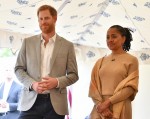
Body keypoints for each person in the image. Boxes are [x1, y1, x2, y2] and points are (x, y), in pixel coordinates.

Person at [14, 4, 78, 119]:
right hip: (30, 102)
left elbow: (74, 75)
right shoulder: (27, 43)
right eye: (40, 19)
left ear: (55, 18)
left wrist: (57, 82)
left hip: (55, 106)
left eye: (46, 18)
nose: (43, 22)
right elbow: (18, 69)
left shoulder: (68, 46)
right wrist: (32, 84)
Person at [88, 25, 139, 119]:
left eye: (114, 36)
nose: (110, 40)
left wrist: (108, 102)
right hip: (99, 108)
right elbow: (93, 88)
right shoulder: (100, 61)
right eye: (107, 37)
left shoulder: (132, 60)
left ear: (123, 39)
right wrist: (101, 106)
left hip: (121, 105)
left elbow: (131, 87)